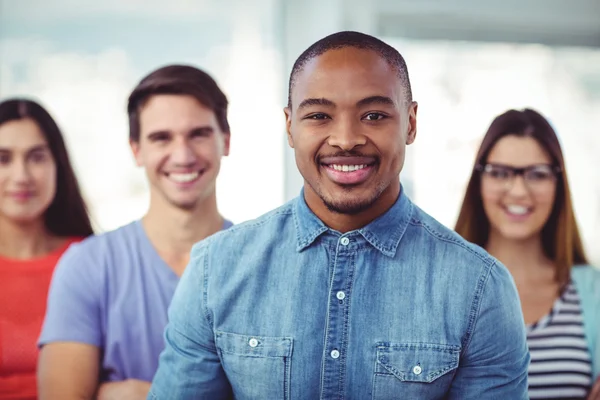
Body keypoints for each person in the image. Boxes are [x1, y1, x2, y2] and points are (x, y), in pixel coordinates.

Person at [148, 31, 529, 399]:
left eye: (374, 115)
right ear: (290, 126)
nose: (346, 139)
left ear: (410, 123)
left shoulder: (480, 287)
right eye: (318, 116)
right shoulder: (215, 270)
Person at [36, 65, 234, 400]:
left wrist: (133, 394)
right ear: (136, 150)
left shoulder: (262, 263)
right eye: (161, 138)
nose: (183, 155)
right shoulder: (88, 265)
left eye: (198, 134)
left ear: (225, 141)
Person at [455, 108, 600, 400]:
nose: (519, 191)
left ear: (558, 183)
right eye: (500, 172)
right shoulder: (444, 287)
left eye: (537, 174)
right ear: (479, 180)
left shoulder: (593, 292)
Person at [0, 98, 93, 400]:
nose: (21, 176)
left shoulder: (95, 262)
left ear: (58, 165)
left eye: (36, 157)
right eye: (3, 159)